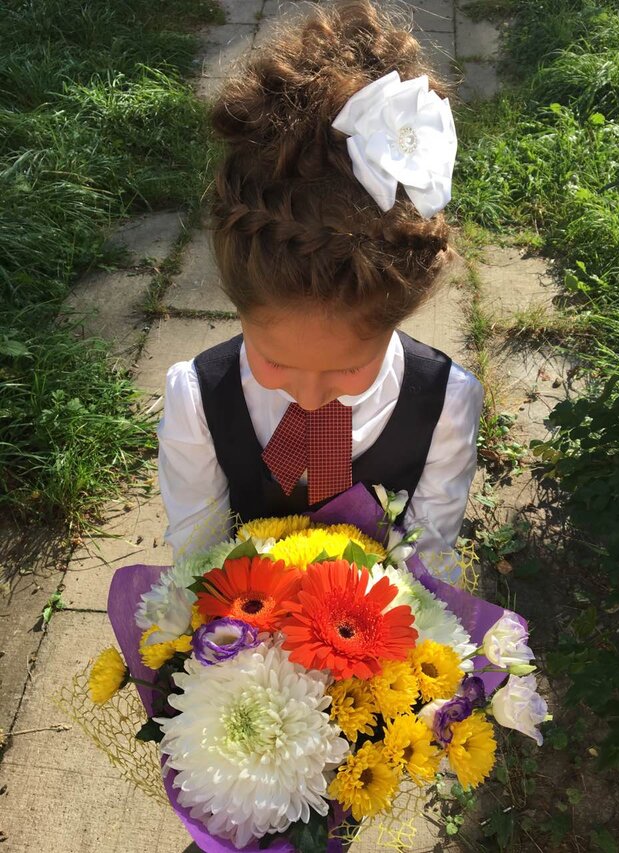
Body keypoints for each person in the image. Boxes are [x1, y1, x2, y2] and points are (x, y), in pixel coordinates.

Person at [157, 0, 483, 578]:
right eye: (276, 362)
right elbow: (197, 557)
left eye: (348, 369)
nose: (309, 400)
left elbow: (430, 559)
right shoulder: (200, 402)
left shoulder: (443, 407)